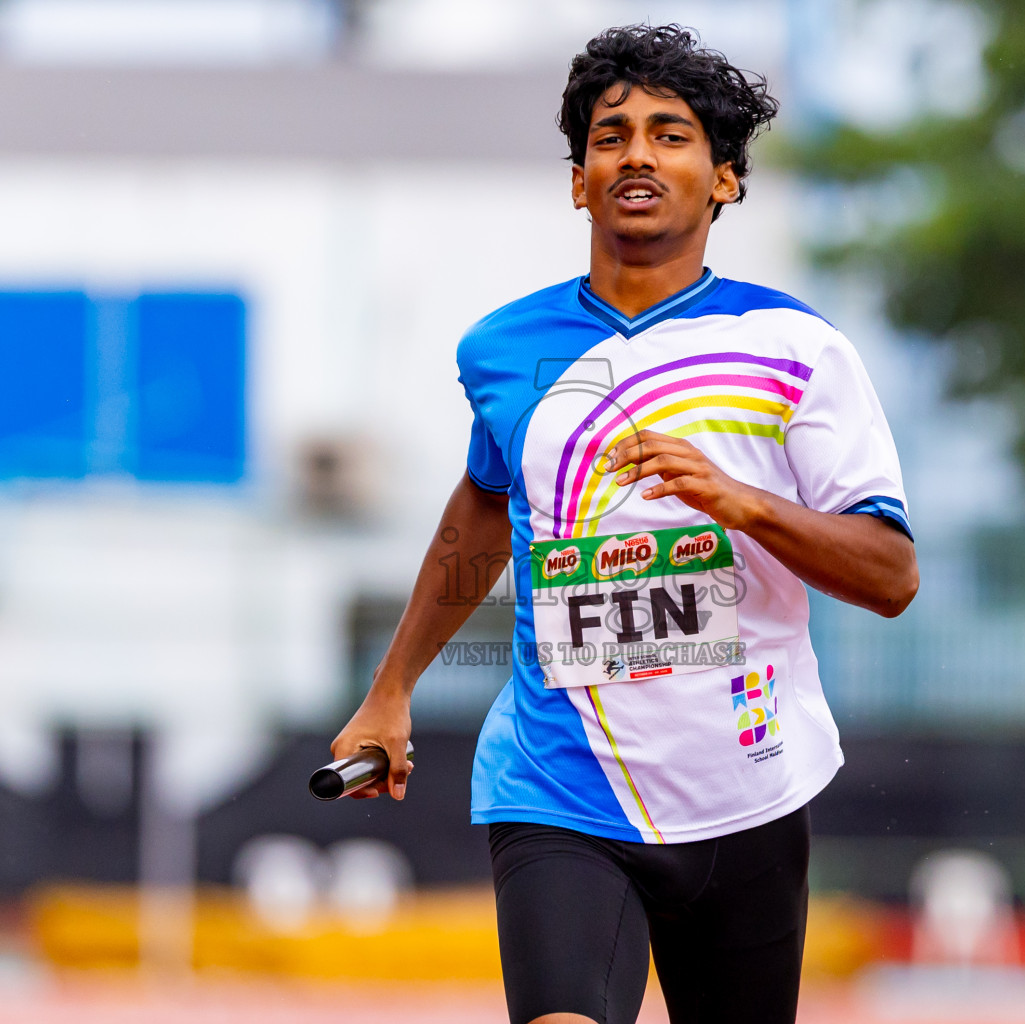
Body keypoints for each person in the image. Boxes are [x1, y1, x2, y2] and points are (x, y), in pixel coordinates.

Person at [327, 24, 918, 1024]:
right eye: (611, 137)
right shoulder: (504, 349)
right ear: (579, 182)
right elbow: (484, 504)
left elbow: (892, 576)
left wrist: (741, 502)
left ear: (724, 180)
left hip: (746, 788)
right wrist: (391, 692)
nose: (637, 155)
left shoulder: (797, 349)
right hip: (558, 781)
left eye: (670, 135)